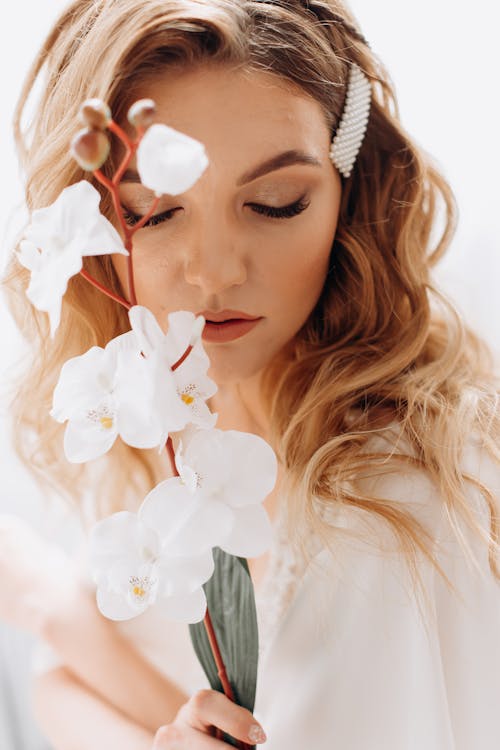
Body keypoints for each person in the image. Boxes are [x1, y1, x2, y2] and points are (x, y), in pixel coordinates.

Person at [1, 0, 499, 748]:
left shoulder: (392, 506)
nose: (215, 273)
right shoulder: (158, 414)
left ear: (348, 194)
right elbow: (56, 681)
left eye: (275, 204)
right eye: (151, 213)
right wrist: (55, 617)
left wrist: (46, 602)